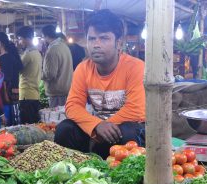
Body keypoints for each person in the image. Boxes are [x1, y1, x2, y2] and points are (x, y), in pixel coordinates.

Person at [54, 9, 146, 159]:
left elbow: (136, 110)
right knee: (65, 129)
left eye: (103, 38)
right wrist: (96, 126)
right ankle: (75, 171)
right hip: (98, 128)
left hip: (126, 130)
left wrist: (101, 129)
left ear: (119, 43)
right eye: (91, 39)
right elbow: (72, 106)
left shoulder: (136, 67)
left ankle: (125, 179)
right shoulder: (83, 68)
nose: (96, 45)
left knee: (128, 131)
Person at [0, 32, 24, 126]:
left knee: (8, 123)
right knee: (14, 120)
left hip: (7, 94)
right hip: (15, 93)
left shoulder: (4, 58)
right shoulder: (12, 56)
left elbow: (5, 78)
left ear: (0, 44)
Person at [41, 25, 73, 108]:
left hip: (57, 92)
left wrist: (39, 74)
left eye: (43, 37)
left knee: (56, 118)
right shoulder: (64, 46)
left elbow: (50, 74)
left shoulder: (52, 50)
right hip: (66, 89)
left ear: (46, 36)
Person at [16, 26, 42, 124]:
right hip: (34, 95)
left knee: (27, 126)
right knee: (34, 125)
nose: (19, 42)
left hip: (26, 95)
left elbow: (16, 68)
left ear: (26, 39)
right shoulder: (37, 53)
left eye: (20, 39)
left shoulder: (28, 55)